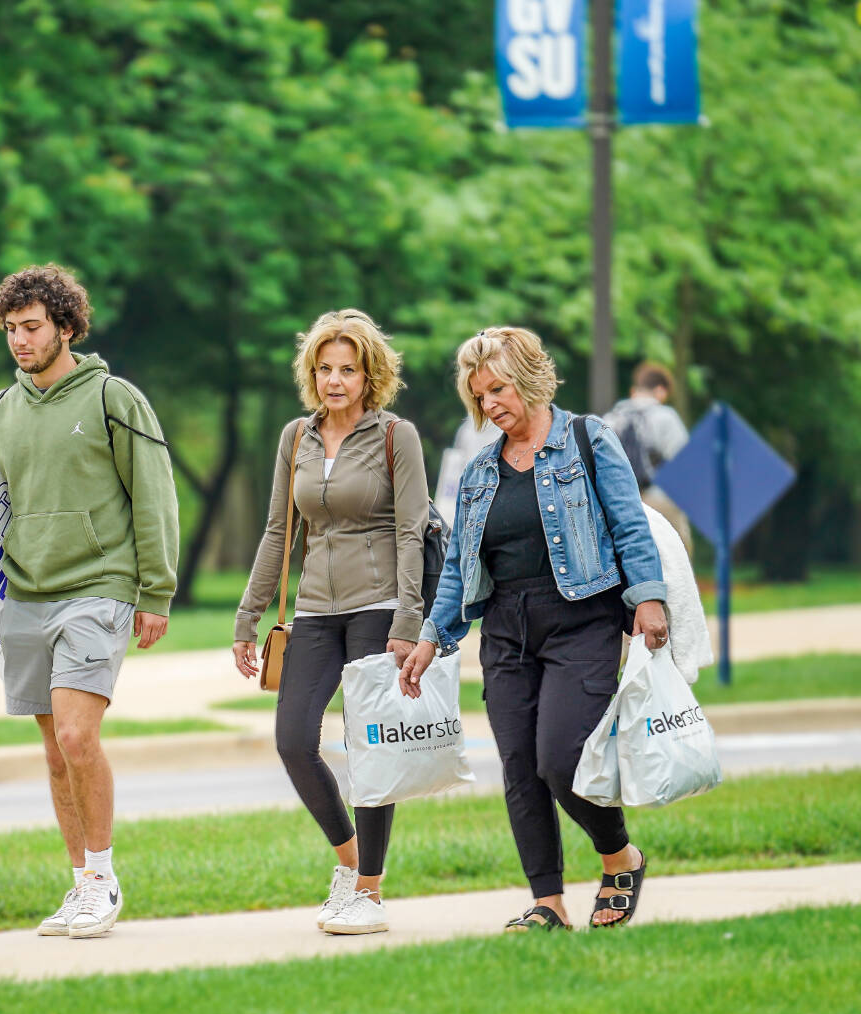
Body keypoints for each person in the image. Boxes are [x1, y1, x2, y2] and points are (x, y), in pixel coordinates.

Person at [0, 265, 179, 939]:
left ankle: (102, 879)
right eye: (10, 329)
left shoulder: (113, 398)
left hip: (97, 586)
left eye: (32, 327)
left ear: (66, 326)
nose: (19, 340)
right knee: (52, 750)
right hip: (25, 596)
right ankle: (79, 884)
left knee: (77, 735)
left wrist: (154, 590)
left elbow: (153, 496)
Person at [399, 327, 669, 932]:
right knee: (520, 770)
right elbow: (460, 572)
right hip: (506, 633)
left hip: (581, 622)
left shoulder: (587, 439)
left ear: (529, 379)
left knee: (562, 759)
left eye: (499, 388)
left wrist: (647, 598)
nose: (490, 404)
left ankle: (620, 857)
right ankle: (547, 903)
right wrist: (429, 638)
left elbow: (630, 526)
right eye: (480, 395)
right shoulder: (479, 474)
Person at [233, 310, 431, 936]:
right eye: (324, 369)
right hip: (315, 608)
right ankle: (351, 864)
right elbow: (276, 531)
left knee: (369, 748)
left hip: (378, 609)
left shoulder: (397, 436)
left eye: (348, 369)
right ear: (310, 374)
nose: (335, 380)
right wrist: (247, 617)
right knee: (294, 740)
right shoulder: (297, 438)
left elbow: (410, 532)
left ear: (371, 374)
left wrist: (409, 616)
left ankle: (368, 892)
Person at [605, 361, 694, 555]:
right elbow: (684, 462)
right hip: (660, 497)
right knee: (678, 554)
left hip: (621, 501)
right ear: (661, 391)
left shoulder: (611, 419)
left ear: (633, 390)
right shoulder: (666, 416)